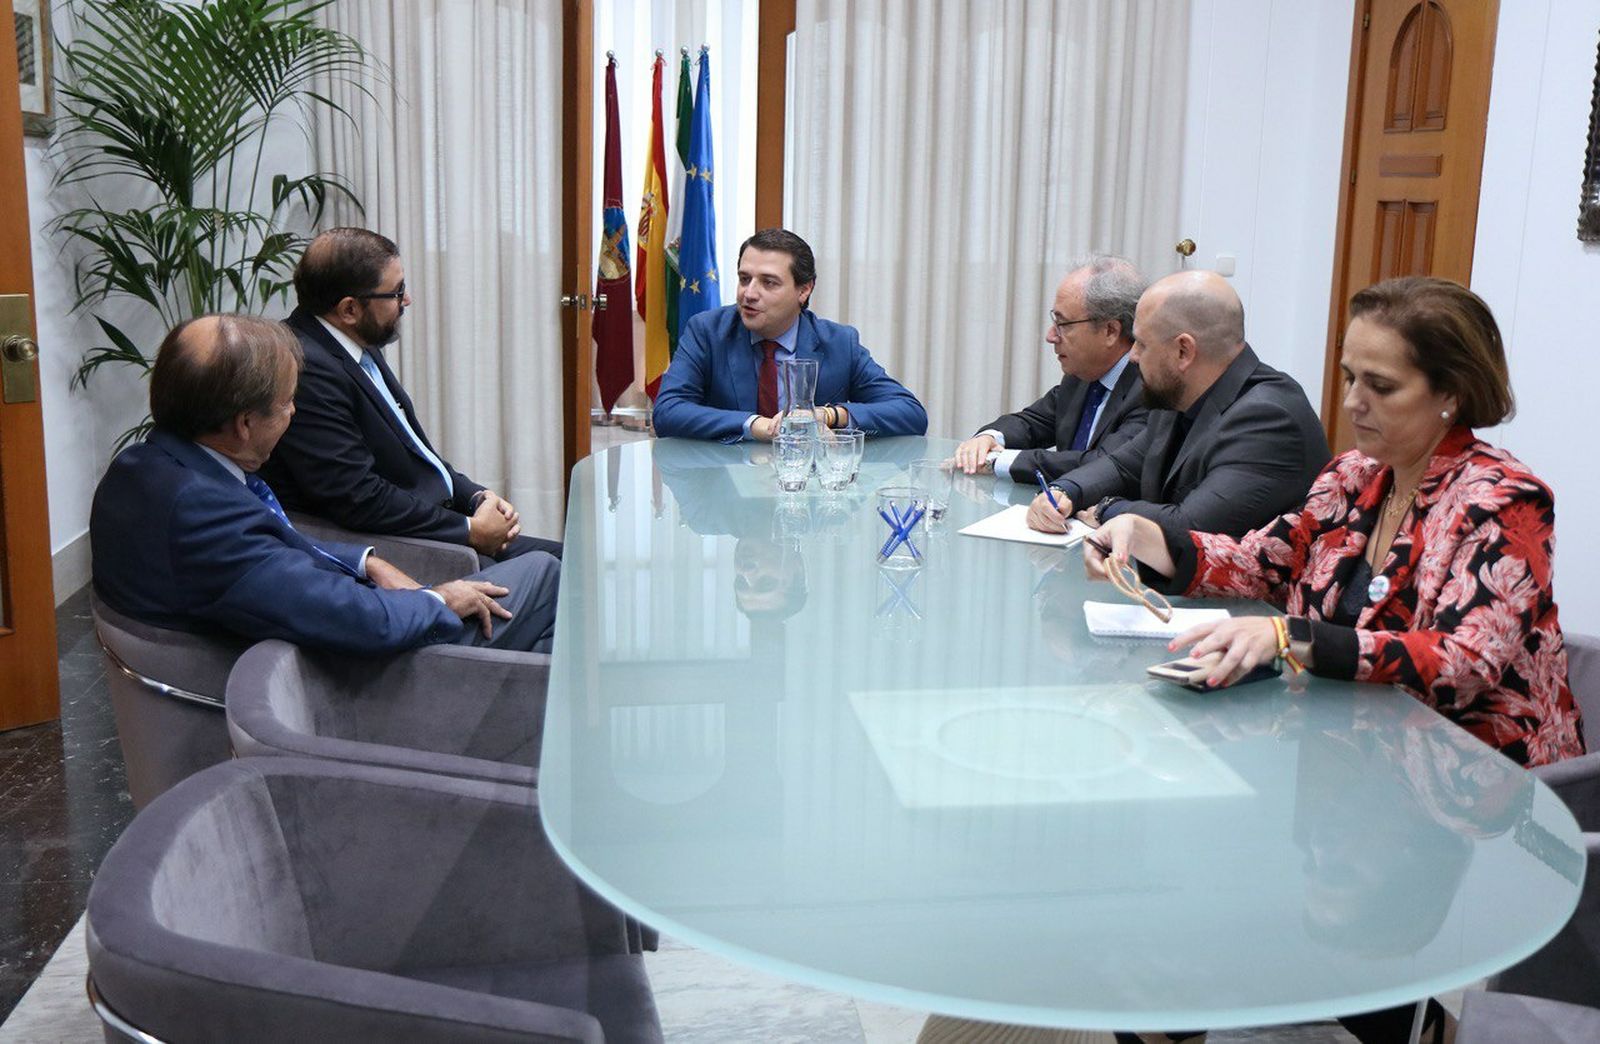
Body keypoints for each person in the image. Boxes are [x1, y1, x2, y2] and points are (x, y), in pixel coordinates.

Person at [1087, 276, 1584, 770]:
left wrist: (1293, 637)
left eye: (1380, 386)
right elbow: (1265, 562)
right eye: (1350, 378)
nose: (1352, 402)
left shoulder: (1505, 501)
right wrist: (1149, 538)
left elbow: (1464, 662)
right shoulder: (1352, 475)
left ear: (1451, 394)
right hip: (1349, 753)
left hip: (1476, 779)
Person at [91, 314, 559, 656]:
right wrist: (439, 599)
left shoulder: (142, 465)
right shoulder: (201, 514)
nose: (294, 413)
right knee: (545, 574)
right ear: (245, 424)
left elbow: (266, 550)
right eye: (287, 403)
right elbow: (356, 621)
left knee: (544, 645)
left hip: (307, 635)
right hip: (340, 678)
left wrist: (364, 561)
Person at [257, 227, 561, 564]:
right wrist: (469, 529)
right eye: (397, 292)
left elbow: (415, 453)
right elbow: (357, 496)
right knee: (555, 570)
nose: (407, 300)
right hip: (403, 547)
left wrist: (478, 496)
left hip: (435, 522)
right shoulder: (305, 368)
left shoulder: (354, 343)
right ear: (349, 310)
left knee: (572, 558)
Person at [1026, 270, 1329, 538]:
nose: (1132, 356)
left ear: (1183, 351)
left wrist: (1107, 508)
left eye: (1142, 344)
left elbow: (1192, 527)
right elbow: (1122, 465)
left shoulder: (1268, 419)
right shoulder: (1178, 395)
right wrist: (1065, 491)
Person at [652, 228, 928, 442]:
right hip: (724, 485)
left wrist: (828, 415)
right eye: (745, 279)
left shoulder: (839, 343)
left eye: (769, 282)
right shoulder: (707, 331)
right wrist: (755, 425)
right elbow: (667, 411)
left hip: (808, 488)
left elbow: (910, 413)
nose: (749, 293)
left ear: (804, 290)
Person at [951, 255, 1149, 482]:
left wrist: (999, 461)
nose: (1051, 336)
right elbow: (1031, 423)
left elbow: (1103, 464)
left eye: (1063, 324)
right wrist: (988, 438)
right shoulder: (1082, 376)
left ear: (1110, 331)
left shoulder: (1148, 389)